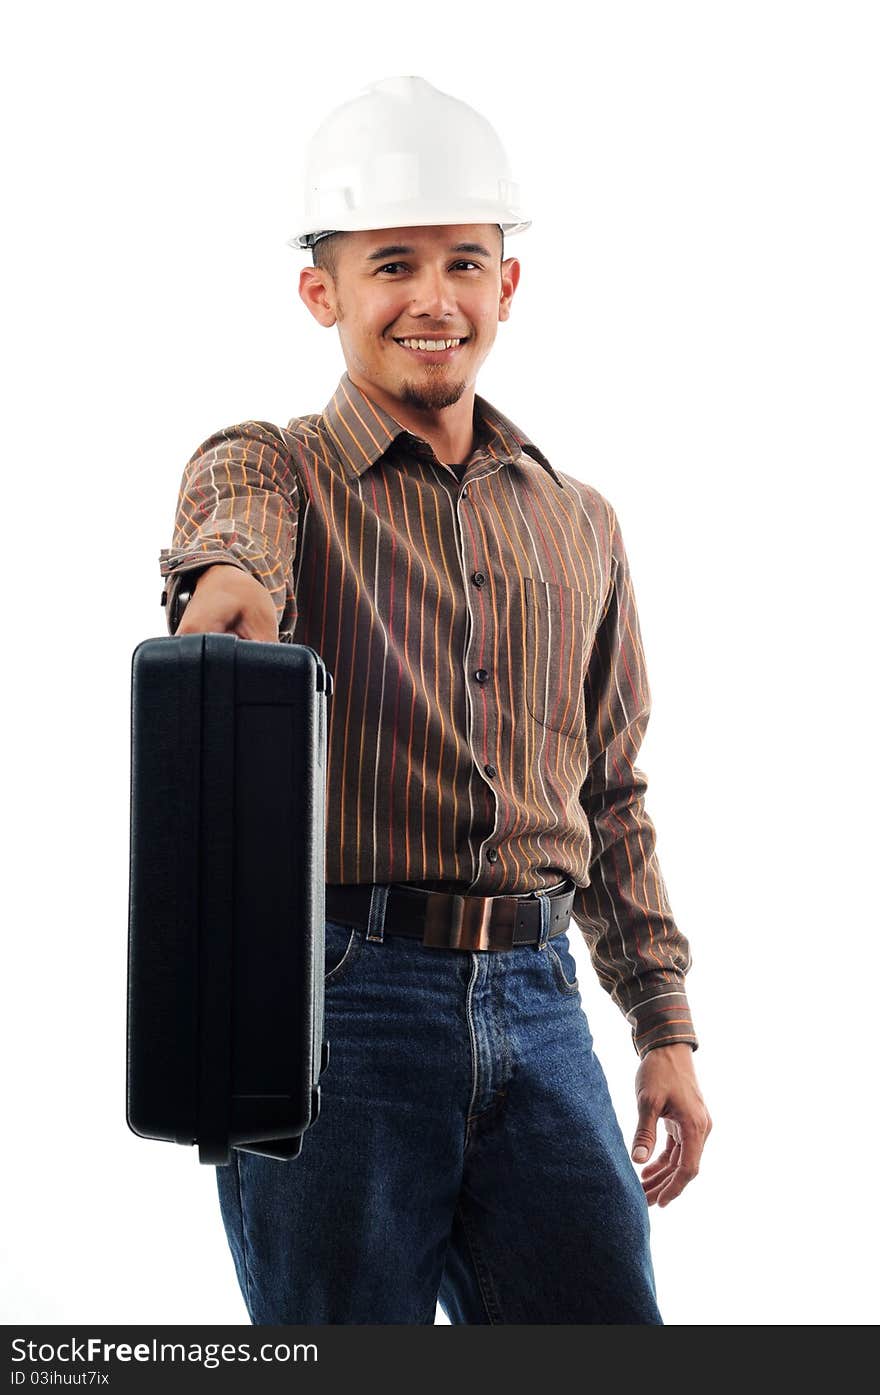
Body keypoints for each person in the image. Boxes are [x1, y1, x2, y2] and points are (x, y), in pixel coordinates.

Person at [158, 75, 711, 1325]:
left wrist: (663, 1026)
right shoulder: (274, 466)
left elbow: (611, 795)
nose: (432, 298)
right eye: (390, 263)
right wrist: (235, 579)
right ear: (324, 292)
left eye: (464, 261)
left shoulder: (580, 523)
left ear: (506, 286)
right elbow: (230, 522)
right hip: (337, 1009)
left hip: (542, 1002)